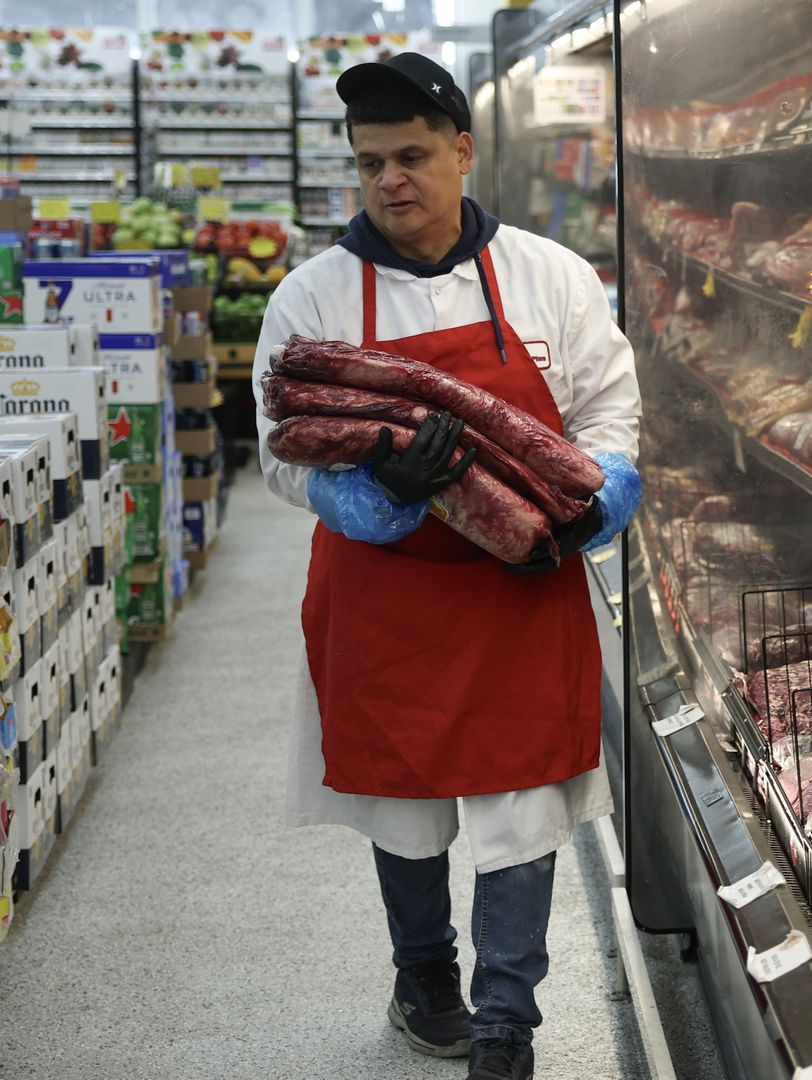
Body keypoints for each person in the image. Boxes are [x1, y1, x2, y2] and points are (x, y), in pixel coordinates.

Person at [252, 54, 640, 1080]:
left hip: (518, 588)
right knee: (406, 807)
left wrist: (604, 490)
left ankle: (506, 1022)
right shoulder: (314, 300)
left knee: (524, 810)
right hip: (389, 596)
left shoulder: (549, 276)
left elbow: (608, 405)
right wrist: (363, 500)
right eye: (371, 161)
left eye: (413, 155)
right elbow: (277, 449)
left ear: (462, 151)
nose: (391, 180)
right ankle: (425, 972)